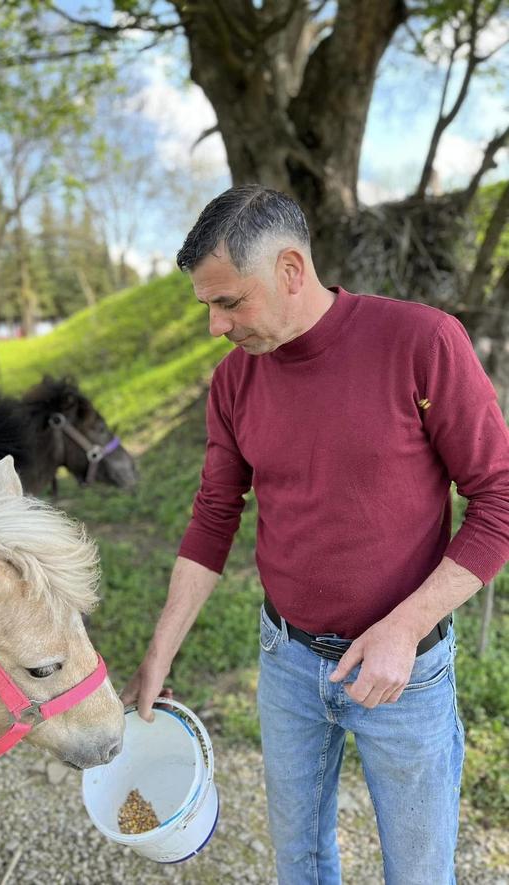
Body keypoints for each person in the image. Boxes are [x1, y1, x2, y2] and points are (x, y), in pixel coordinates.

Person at [121, 184, 509, 885]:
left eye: (229, 301)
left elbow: (499, 498)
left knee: (420, 873)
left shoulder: (420, 342)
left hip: (407, 670)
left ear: (291, 270)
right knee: (299, 865)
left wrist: (406, 625)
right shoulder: (233, 382)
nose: (215, 325)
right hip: (289, 663)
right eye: (206, 305)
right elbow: (214, 515)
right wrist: (157, 653)